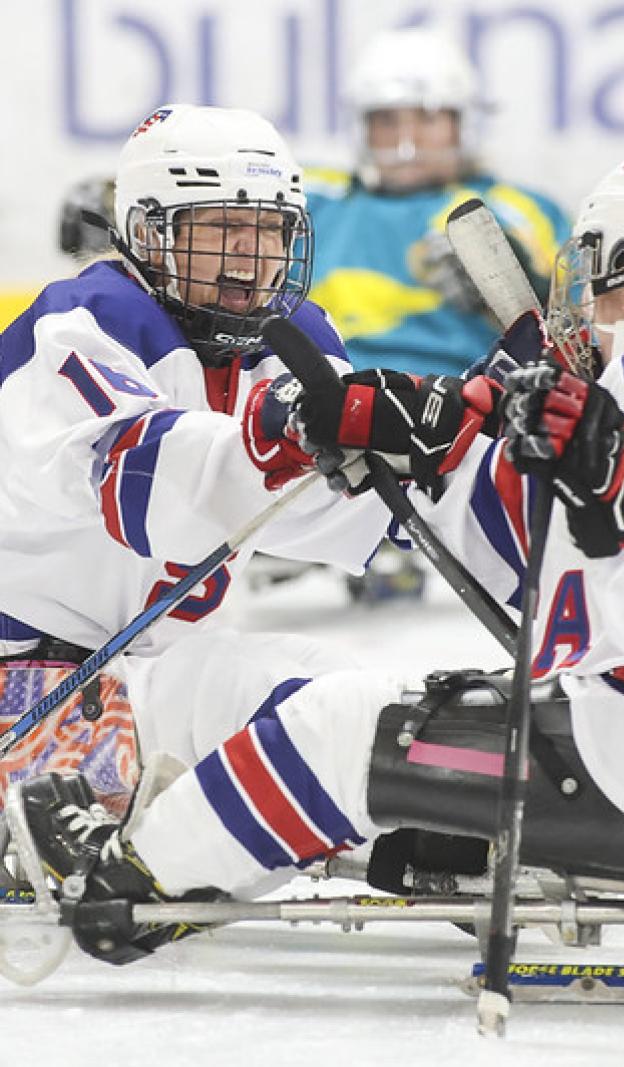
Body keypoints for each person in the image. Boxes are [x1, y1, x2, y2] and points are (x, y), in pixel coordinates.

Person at [14, 141, 624, 969]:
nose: (587, 294)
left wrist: (617, 487)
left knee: (339, 726)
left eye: (599, 266)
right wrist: (436, 436)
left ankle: (122, 887)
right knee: (340, 697)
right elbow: (540, 550)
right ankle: (467, 846)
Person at [0, 102, 395, 821]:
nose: (251, 254)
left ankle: (434, 841)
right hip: (26, 683)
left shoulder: (292, 335)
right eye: (222, 227)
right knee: (187, 795)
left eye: (271, 229)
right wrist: (276, 440)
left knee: (347, 704)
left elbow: (330, 512)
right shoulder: (84, 320)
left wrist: (459, 446)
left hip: (148, 675)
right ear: (151, 232)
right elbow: (142, 487)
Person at [306, 26, 571, 381]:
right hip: (330, 402)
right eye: (387, 120)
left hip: (473, 409)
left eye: (427, 119)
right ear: (362, 128)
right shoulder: (312, 203)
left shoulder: (520, 213)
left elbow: (585, 340)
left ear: (462, 124)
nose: (407, 141)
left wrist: (529, 297)